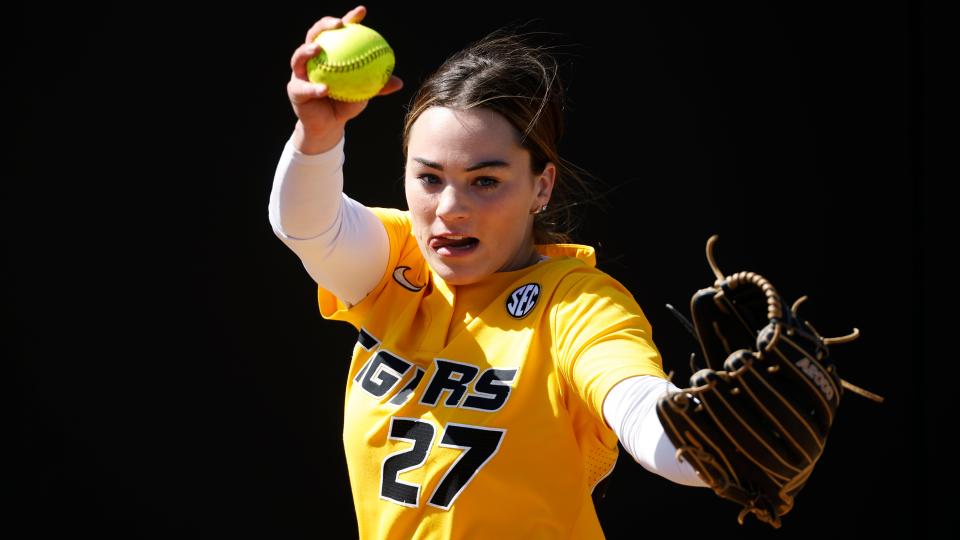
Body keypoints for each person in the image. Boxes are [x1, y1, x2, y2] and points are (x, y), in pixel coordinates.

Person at [268, 5, 707, 538]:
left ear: (541, 187)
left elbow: (639, 407)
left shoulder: (576, 303)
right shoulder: (399, 260)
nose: (450, 208)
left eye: (485, 181)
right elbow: (306, 227)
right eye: (429, 178)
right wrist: (317, 136)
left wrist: (715, 442)